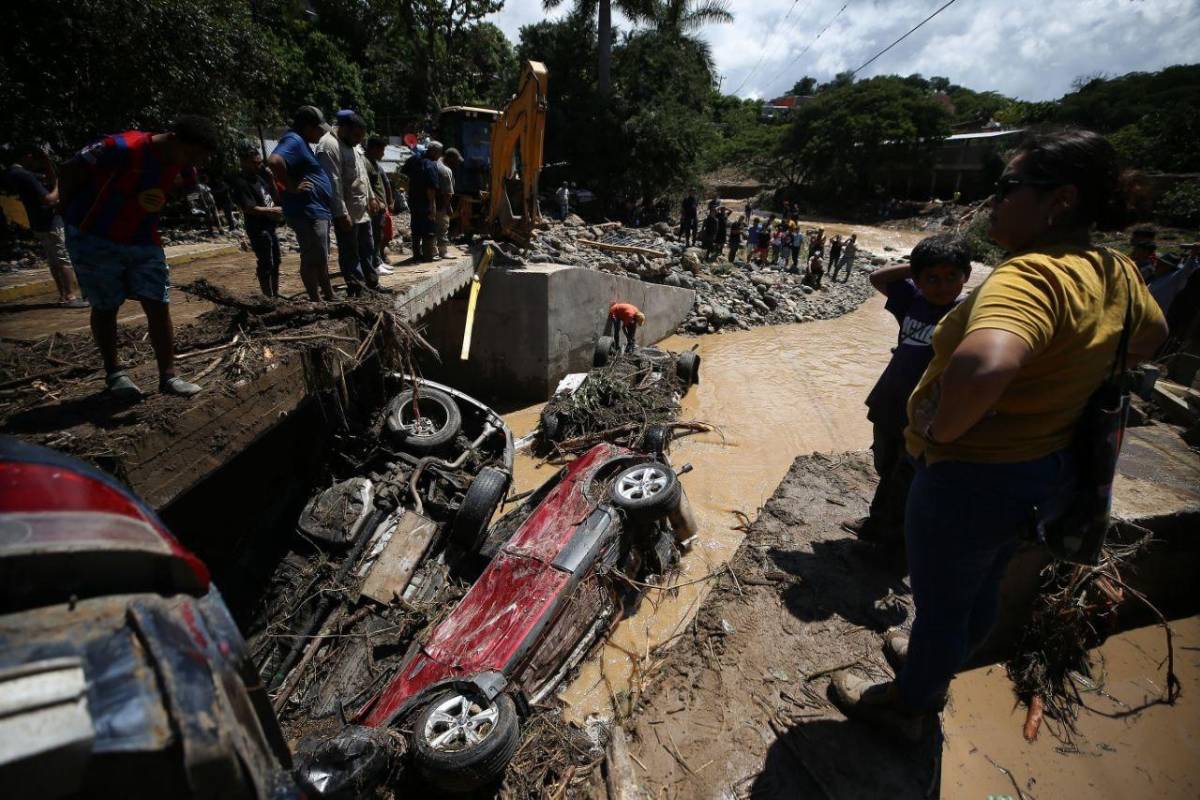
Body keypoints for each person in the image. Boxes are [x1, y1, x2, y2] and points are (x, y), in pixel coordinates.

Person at [829, 128, 1168, 742]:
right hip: (1044, 469)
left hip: (970, 475)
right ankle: (940, 658)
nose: (993, 202)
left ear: (1058, 201)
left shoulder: (1030, 278)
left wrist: (936, 425)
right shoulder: (1116, 272)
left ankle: (910, 703)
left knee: (939, 603)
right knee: (982, 586)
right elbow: (1151, 337)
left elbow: (986, 363)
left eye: (1008, 188)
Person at [59, 116, 220, 399]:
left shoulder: (183, 165)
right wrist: (70, 214)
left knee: (158, 301)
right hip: (94, 235)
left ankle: (169, 376)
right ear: (173, 138)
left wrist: (164, 196)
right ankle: (115, 373)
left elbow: (184, 185)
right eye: (192, 155)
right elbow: (71, 171)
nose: (192, 163)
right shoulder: (120, 147)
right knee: (106, 304)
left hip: (143, 236)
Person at [846, 235, 971, 557]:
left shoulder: (969, 315)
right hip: (890, 400)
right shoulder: (912, 300)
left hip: (927, 411)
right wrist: (914, 266)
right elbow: (877, 278)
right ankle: (876, 524)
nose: (942, 286)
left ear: (966, 277)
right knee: (885, 466)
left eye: (951, 277)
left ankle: (894, 544)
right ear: (917, 279)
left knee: (908, 476)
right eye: (932, 278)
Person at [269, 105, 335, 301]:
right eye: (319, 129)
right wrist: (290, 186)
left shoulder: (301, 142)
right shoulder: (294, 140)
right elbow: (274, 161)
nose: (322, 134)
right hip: (307, 210)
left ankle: (328, 296)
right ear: (307, 127)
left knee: (320, 256)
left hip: (316, 210)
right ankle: (316, 299)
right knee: (312, 257)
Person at [6, 143, 85, 306]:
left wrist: (48, 167)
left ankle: (64, 295)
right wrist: (58, 185)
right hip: (50, 221)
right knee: (63, 258)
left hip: (38, 222)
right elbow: (49, 199)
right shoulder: (25, 175)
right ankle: (71, 296)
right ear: (28, 156)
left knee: (54, 260)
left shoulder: (13, 173)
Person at [317, 110, 377, 294]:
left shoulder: (354, 146)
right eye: (356, 135)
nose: (359, 140)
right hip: (346, 210)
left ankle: (372, 284)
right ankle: (358, 289)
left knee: (367, 247)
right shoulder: (329, 146)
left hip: (361, 208)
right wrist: (341, 213)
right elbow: (333, 183)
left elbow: (362, 174)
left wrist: (372, 197)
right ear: (343, 129)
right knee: (350, 251)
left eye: (361, 136)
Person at [231, 142, 283, 297]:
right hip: (257, 228)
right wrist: (272, 210)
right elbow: (249, 208)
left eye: (260, 162)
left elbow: (275, 198)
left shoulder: (260, 178)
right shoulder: (240, 182)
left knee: (276, 260)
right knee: (266, 262)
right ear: (243, 162)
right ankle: (268, 297)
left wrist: (271, 180)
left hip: (269, 225)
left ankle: (275, 294)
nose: (259, 166)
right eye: (255, 163)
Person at [402, 144, 441, 262]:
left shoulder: (413, 159)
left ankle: (416, 255)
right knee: (428, 228)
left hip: (413, 199)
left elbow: (403, 176)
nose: (439, 157)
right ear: (434, 152)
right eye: (439, 154)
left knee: (416, 227)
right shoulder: (431, 165)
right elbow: (431, 188)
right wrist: (432, 205)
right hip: (425, 201)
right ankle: (428, 255)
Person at [364, 135, 395, 275]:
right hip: (374, 208)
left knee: (379, 235)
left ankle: (377, 261)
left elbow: (384, 185)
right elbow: (367, 187)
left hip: (380, 208)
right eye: (381, 150)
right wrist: (377, 201)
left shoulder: (374, 163)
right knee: (374, 237)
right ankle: (374, 264)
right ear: (374, 149)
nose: (383, 154)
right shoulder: (366, 163)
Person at [434, 147, 462, 259]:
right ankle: (443, 251)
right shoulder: (445, 170)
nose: (456, 163)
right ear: (450, 158)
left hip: (431, 203)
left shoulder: (434, 164)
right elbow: (447, 193)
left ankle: (432, 251)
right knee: (443, 227)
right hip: (441, 205)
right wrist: (449, 207)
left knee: (433, 228)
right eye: (455, 160)